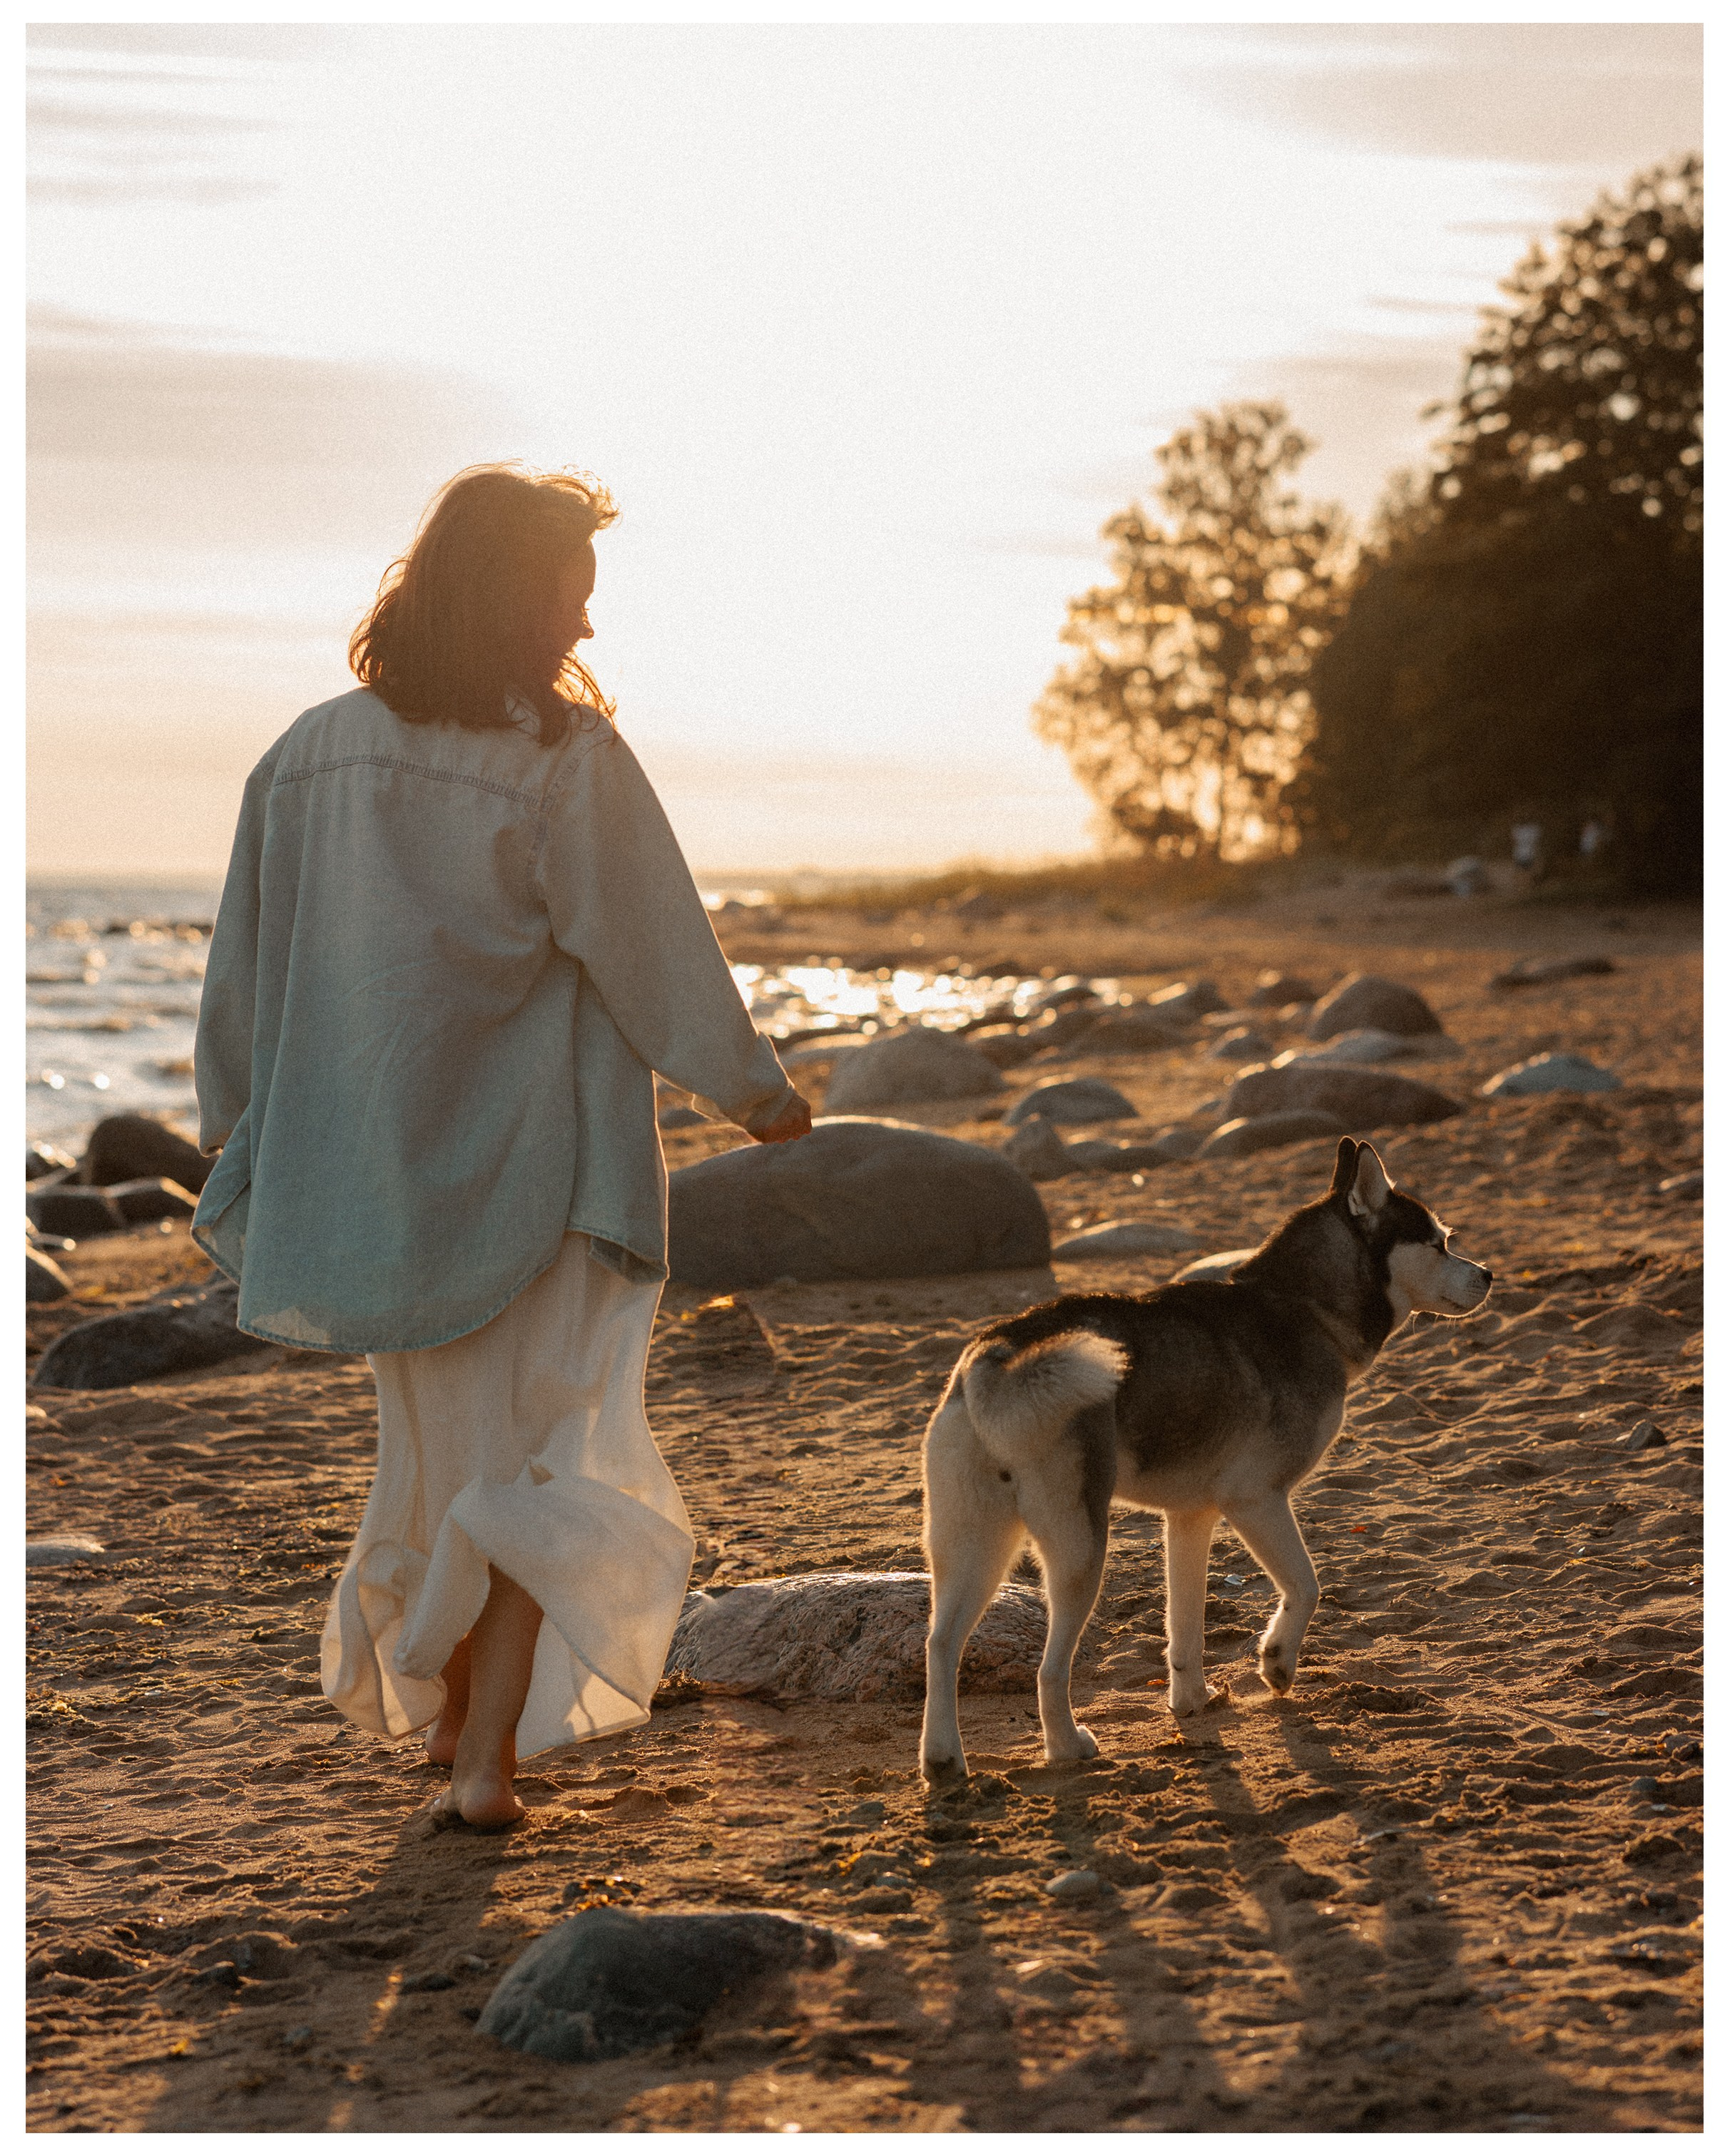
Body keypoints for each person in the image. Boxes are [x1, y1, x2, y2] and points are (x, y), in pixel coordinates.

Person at [190, 463, 812, 1828]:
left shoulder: (307, 755)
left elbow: (245, 973)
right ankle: (481, 1766)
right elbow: (652, 946)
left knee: (450, 1457)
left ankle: (461, 1728)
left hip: (375, 1189)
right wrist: (751, 1091)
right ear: (505, 594)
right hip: (545, 1170)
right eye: (568, 600)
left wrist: (234, 1139)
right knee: (535, 1464)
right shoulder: (565, 763)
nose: (585, 630)